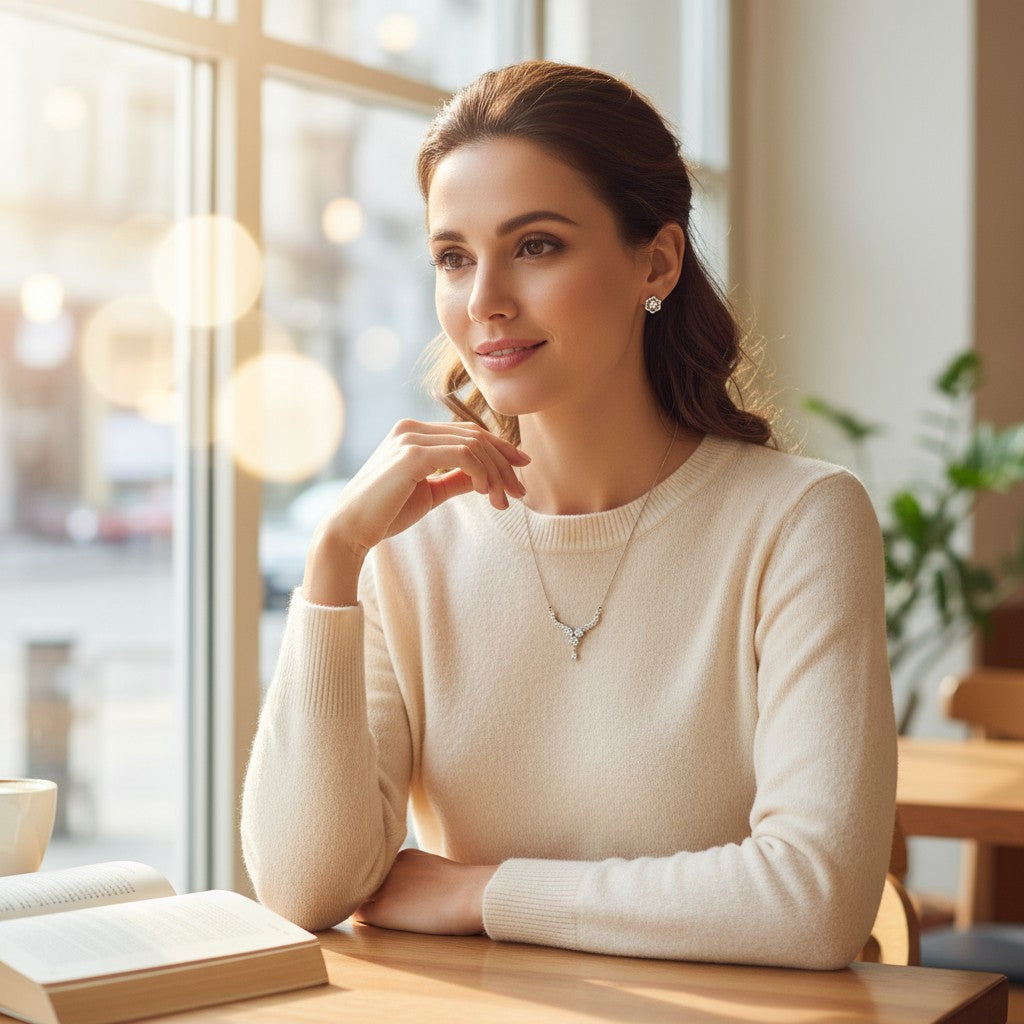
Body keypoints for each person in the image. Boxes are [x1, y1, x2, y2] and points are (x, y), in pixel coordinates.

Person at [241, 60, 897, 969]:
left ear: (656, 261)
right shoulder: (410, 544)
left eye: (537, 245)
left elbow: (811, 902)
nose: (484, 303)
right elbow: (304, 887)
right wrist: (333, 560)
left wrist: (482, 891)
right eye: (453, 257)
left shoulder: (800, 521)